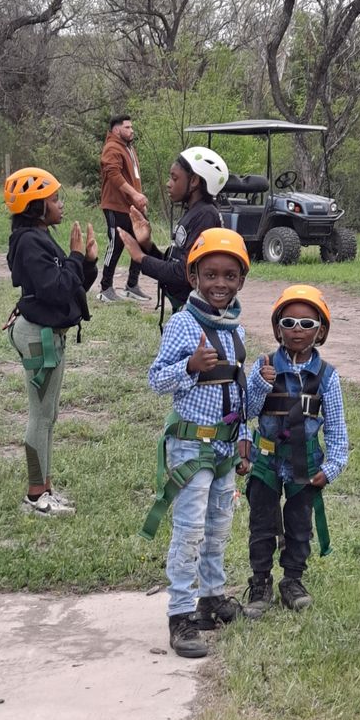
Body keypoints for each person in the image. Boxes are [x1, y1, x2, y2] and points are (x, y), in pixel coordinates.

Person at [141, 228, 251, 658]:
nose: (220, 283)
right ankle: (181, 615)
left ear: (241, 280)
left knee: (218, 528)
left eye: (229, 275)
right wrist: (189, 365)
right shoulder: (184, 324)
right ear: (193, 277)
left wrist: (244, 438)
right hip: (192, 447)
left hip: (224, 448)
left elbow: (238, 392)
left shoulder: (235, 329)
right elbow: (156, 380)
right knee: (189, 531)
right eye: (210, 275)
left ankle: (210, 598)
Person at [243, 284, 348, 616]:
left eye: (307, 324)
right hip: (265, 460)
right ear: (277, 329)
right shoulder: (263, 366)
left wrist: (332, 467)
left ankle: (292, 580)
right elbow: (247, 411)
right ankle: (260, 582)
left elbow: (337, 428)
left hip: (306, 462)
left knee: (300, 524)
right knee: (261, 522)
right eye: (288, 323)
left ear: (321, 331)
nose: (297, 330)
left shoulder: (327, 377)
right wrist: (260, 383)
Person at [3, 167, 98, 516]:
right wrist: (74, 257)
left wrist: (87, 262)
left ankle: (45, 488)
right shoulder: (29, 242)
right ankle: (34, 495)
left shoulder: (40, 237)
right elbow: (55, 290)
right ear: (36, 206)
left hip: (49, 335)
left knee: (49, 415)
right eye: (55, 199)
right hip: (37, 337)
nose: (61, 205)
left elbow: (71, 287)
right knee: (40, 416)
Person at [116, 146, 228, 320]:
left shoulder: (205, 215)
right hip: (186, 310)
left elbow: (182, 273)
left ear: (194, 181)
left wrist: (140, 257)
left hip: (197, 316)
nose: (168, 183)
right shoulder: (195, 212)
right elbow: (174, 264)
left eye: (174, 178)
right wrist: (147, 245)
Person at [98, 115, 150, 303]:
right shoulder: (112, 148)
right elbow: (113, 174)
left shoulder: (128, 147)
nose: (131, 130)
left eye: (131, 127)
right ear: (116, 129)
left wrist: (139, 199)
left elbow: (133, 178)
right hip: (116, 205)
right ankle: (105, 288)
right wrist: (134, 194)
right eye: (127, 127)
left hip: (133, 206)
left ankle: (132, 286)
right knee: (116, 245)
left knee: (141, 241)